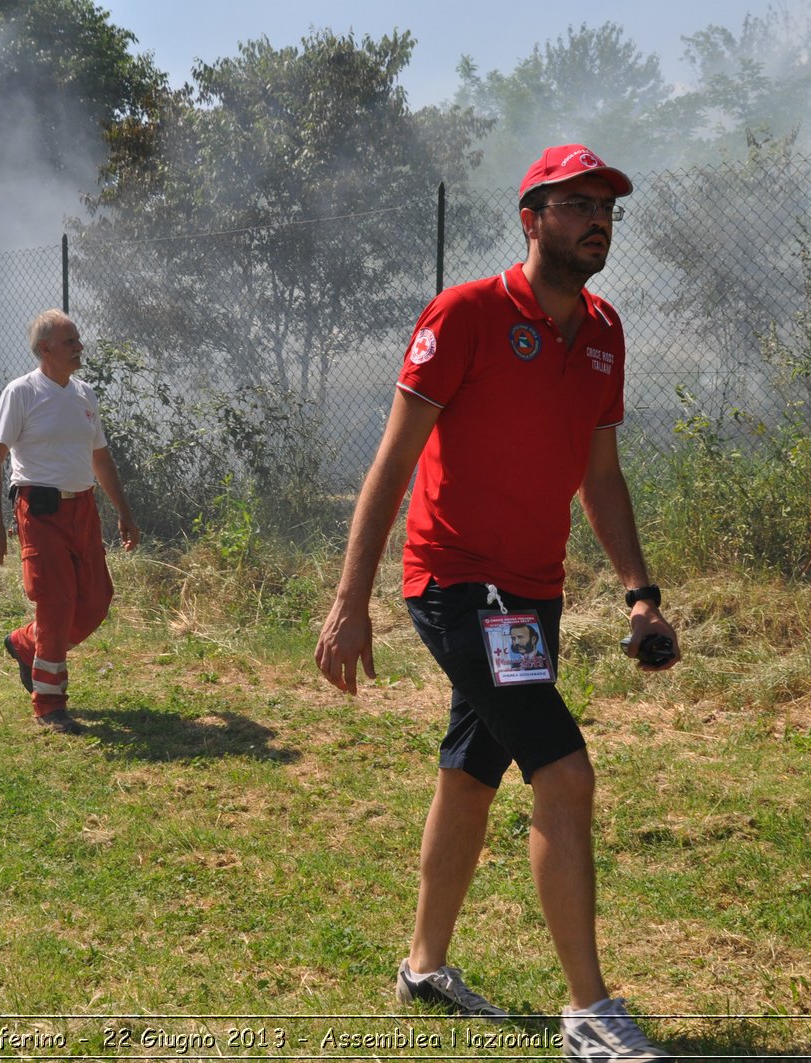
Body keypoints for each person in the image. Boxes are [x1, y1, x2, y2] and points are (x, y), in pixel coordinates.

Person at [315, 145, 679, 1061]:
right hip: (455, 580)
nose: (597, 220)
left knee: (472, 772)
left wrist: (641, 596)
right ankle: (589, 1012)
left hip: (532, 594)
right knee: (565, 772)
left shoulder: (604, 332)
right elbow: (392, 463)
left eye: (608, 208)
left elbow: (601, 475)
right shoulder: (466, 314)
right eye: (578, 205)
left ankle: (423, 967)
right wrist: (350, 598)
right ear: (531, 217)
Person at [0, 309, 139, 734]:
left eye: (78, 340)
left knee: (95, 600)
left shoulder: (84, 394)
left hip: (83, 509)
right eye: (70, 342)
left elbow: (100, 458)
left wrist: (123, 512)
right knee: (55, 604)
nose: (80, 347)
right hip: (40, 510)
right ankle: (50, 704)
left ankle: (25, 643)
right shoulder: (21, 392)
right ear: (45, 349)